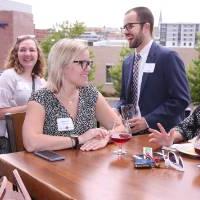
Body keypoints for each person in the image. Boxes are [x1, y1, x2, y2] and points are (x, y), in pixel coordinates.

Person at [22, 38, 123, 152]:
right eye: (82, 63)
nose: (88, 69)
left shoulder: (90, 94)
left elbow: (121, 128)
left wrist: (107, 138)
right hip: (50, 167)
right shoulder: (40, 99)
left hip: (86, 166)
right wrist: (79, 139)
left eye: (89, 63)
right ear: (62, 65)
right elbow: (31, 143)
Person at [117, 6, 190, 134]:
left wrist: (147, 121)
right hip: (131, 136)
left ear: (146, 27)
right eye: (124, 27)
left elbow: (181, 99)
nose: (125, 32)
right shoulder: (127, 62)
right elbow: (124, 99)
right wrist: (116, 109)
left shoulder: (168, 57)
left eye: (130, 26)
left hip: (161, 137)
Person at [0, 35, 46, 153]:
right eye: (22, 50)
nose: (27, 54)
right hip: (9, 141)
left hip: (33, 140)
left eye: (32, 50)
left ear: (38, 54)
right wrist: (30, 107)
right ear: (16, 54)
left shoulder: (40, 80)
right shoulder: (8, 76)